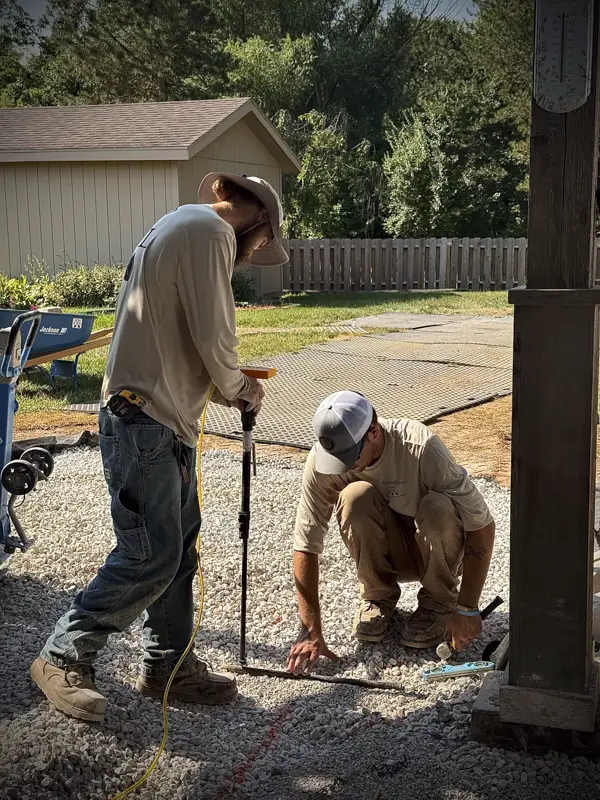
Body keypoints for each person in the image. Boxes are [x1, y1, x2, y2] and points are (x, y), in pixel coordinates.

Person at [31, 173, 289, 722]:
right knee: (151, 554)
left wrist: (230, 386)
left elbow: (184, 338)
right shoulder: (210, 234)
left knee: (178, 546)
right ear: (259, 222)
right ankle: (62, 654)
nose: (254, 256)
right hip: (145, 417)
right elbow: (216, 337)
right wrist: (242, 389)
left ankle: (168, 665)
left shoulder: (180, 224)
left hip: (156, 417)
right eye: (262, 245)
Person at [287, 390, 495, 675]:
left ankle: (438, 602)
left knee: (437, 506)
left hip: (436, 549)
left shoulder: (421, 447)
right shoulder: (325, 458)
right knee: (354, 497)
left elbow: (481, 524)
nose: (341, 466)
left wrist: (468, 608)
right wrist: (310, 628)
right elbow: (306, 543)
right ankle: (378, 596)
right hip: (394, 551)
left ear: (373, 432)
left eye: (349, 456)